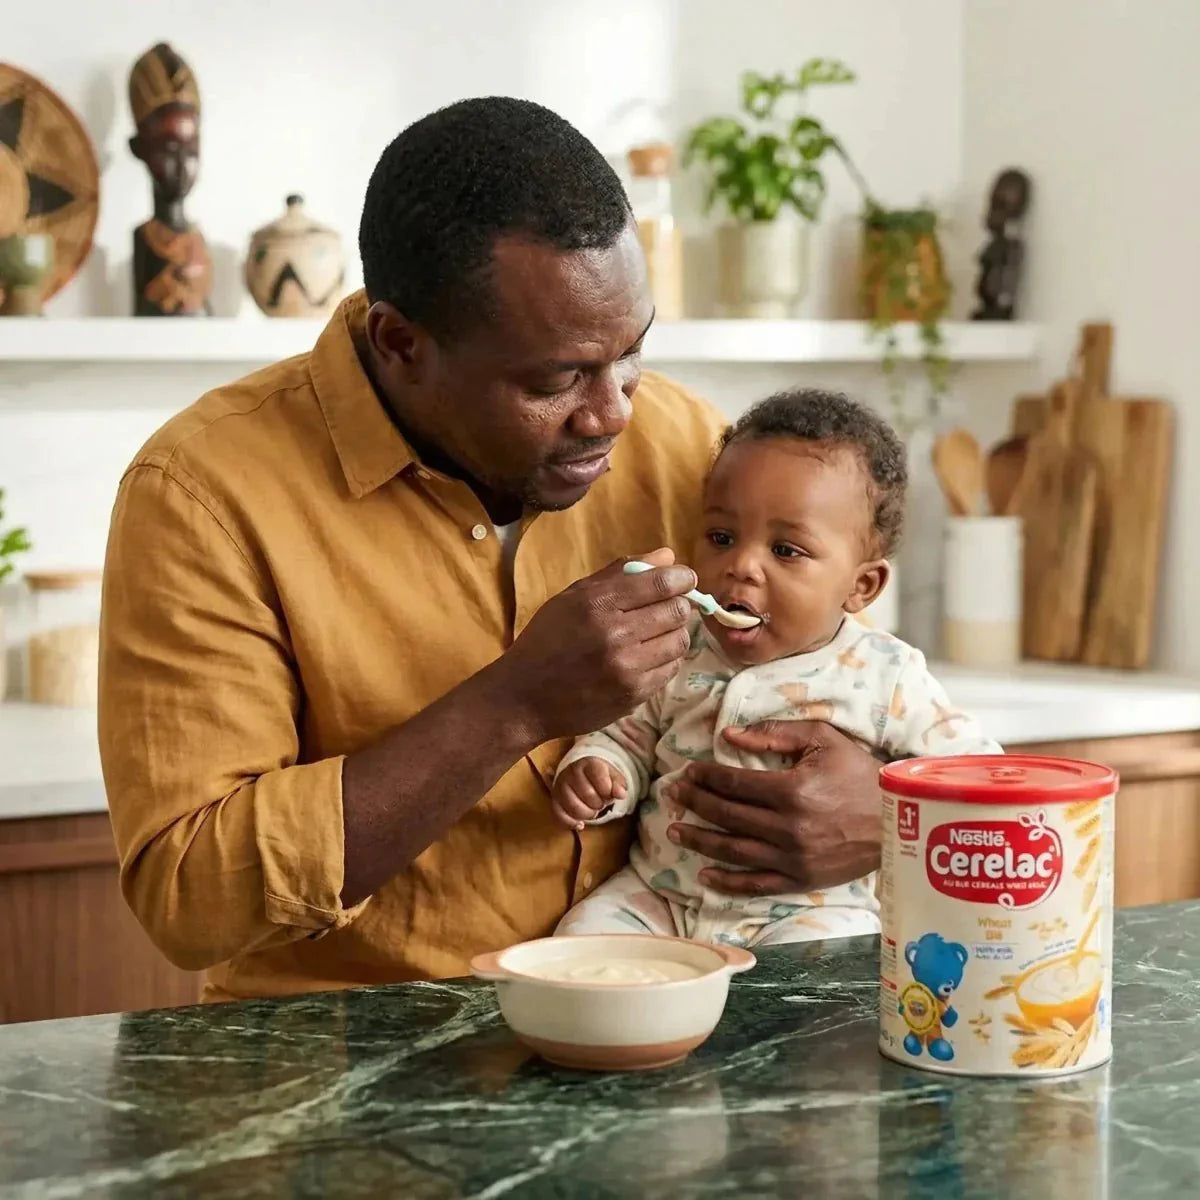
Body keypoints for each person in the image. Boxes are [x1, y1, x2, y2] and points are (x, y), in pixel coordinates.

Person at [99, 97, 886, 1001]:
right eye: (558, 379)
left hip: (661, 1027)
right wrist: (515, 705)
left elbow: (849, 671)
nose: (613, 413)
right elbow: (191, 897)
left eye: (632, 353)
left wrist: (879, 810)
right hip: (352, 1051)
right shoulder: (202, 494)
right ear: (402, 344)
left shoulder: (689, 449)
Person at [551, 390, 1002, 946]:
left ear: (862, 586)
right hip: (662, 898)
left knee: (833, 964)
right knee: (579, 942)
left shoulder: (888, 674)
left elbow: (977, 779)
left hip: (805, 915)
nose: (741, 565)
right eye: (721, 538)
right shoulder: (676, 645)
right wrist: (600, 772)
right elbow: (626, 735)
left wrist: (893, 808)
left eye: (786, 550)